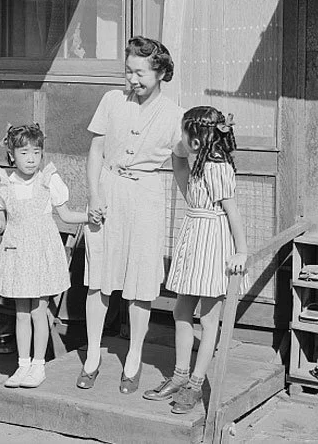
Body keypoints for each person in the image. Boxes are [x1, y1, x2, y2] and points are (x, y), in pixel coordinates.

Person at [79, 36, 187, 394]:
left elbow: (181, 162)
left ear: (159, 72)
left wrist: (198, 205)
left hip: (146, 196)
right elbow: (95, 152)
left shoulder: (174, 115)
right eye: (128, 71)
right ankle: (92, 356)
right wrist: (94, 195)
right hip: (108, 191)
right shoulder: (112, 100)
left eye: (139, 72)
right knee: (99, 276)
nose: (132, 80)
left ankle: (134, 358)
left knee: (141, 280)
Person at [142, 106, 248, 414]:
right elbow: (178, 164)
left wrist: (241, 251)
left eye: (185, 133)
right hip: (194, 237)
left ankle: (196, 383)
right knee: (181, 311)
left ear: (199, 140)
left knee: (209, 318)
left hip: (214, 243)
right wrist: (184, 144)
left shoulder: (218, 168)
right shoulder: (199, 166)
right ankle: (179, 376)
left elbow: (233, 212)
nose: (181, 138)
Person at [0, 123, 91, 389]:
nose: (31, 158)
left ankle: (38, 365)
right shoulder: (3, 185)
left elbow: (66, 215)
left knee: (38, 310)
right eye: (23, 152)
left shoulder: (49, 180)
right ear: (11, 155)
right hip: (17, 253)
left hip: (42, 252)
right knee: (21, 312)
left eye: (36, 152)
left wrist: (91, 217)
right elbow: (1, 220)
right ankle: (22, 366)